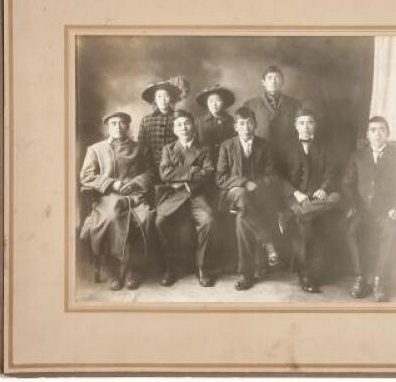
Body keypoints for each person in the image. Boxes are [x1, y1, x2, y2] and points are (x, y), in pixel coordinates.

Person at [80, 112, 153, 291]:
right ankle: (115, 271)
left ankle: (133, 270)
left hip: (135, 195)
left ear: (128, 126)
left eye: (122, 123)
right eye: (113, 123)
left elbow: (150, 173)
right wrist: (113, 184)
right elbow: (87, 176)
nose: (118, 126)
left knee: (147, 218)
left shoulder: (140, 148)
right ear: (108, 127)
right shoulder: (96, 149)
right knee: (111, 218)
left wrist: (135, 183)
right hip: (108, 196)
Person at [342, 116, 396, 302]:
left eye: (381, 130)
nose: (377, 134)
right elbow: (347, 185)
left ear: (387, 134)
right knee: (353, 229)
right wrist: (354, 206)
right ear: (367, 135)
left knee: (391, 229)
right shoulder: (357, 156)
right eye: (373, 130)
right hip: (363, 210)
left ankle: (380, 280)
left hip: (387, 211)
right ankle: (361, 278)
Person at [216, 107, 281, 290]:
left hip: (257, 198)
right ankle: (268, 242)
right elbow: (220, 178)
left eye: (250, 123)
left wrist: (257, 186)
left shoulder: (266, 146)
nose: (246, 127)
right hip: (231, 196)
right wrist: (244, 183)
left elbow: (273, 176)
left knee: (241, 220)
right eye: (242, 124)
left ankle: (246, 274)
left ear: (256, 125)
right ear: (235, 126)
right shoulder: (226, 146)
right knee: (243, 195)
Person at [282, 108, 342, 293]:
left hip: (318, 199)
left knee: (336, 198)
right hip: (296, 197)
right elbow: (279, 176)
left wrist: (324, 188)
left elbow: (332, 171)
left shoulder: (326, 146)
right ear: (295, 125)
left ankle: (293, 214)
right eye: (301, 123)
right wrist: (295, 193)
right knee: (307, 227)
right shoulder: (286, 147)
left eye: (309, 122)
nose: (306, 127)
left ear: (315, 125)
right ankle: (306, 275)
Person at [155, 109, 216, 287]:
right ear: (175, 129)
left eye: (187, 123)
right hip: (174, 195)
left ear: (193, 126)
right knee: (160, 221)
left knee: (208, 220)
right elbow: (165, 173)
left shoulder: (204, 148)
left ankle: (202, 268)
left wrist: (182, 180)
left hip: (198, 194)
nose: (184, 127)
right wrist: (192, 171)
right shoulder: (168, 149)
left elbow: (209, 172)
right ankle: (170, 267)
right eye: (179, 124)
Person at [243, 65, 301, 174]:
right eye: (270, 78)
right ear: (263, 82)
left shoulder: (294, 104)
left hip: (287, 155)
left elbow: (299, 131)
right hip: (260, 156)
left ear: (282, 82)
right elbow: (245, 132)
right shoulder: (250, 104)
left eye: (277, 78)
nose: (273, 81)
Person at [137, 80, 182, 185]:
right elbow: (141, 145)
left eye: (166, 96)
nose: (163, 100)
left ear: (170, 98)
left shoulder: (179, 118)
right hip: (151, 167)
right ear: (155, 100)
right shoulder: (146, 120)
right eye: (159, 96)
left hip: (175, 166)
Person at [195, 84, 236, 166]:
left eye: (218, 100)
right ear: (206, 103)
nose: (214, 104)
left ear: (224, 102)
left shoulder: (232, 122)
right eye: (211, 101)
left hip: (227, 162)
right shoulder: (198, 122)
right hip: (204, 164)